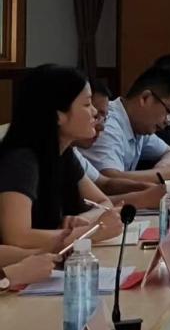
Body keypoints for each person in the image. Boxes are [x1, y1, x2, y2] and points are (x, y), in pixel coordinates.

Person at [0, 66, 122, 251]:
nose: (94, 112)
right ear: (58, 115)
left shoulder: (64, 153)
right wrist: (93, 231)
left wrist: (80, 221)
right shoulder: (20, 160)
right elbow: (17, 238)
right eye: (87, 104)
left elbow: (104, 203)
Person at [80, 66, 170, 185]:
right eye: (168, 111)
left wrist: (162, 170)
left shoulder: (138, 125)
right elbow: (110, 180)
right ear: (145, 98)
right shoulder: (108, 123)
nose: (167, 121)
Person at [75, 81, 167, 210]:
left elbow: (104, 184)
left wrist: (143, 187)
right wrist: (142, 198)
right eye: (87, 106)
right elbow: (79, 207)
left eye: (103, 117)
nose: (102, 126)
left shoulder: (70, 153)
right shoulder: (46, 156)